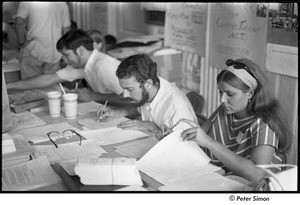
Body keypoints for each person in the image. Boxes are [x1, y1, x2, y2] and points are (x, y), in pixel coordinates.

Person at [179, 58, 291, 183]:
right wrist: (173, 137)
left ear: (250, 93)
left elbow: (258, 175)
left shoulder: (264, 123)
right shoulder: (227, 108)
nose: (222, 100)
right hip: (217, 176)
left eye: (230, 94)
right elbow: (198, 137)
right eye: (220, 92)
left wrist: (209, 142)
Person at [7, 29, 130, 107]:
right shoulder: (83, 64)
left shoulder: (103, 66)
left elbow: (132, 100)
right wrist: (6, 86)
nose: (64, 60)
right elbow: (48, 79)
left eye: (66, 55)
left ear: (81, 50)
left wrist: (93, 96)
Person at [98, 54, 198, 139]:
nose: (125, 95)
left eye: (129, 89)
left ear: (148, 84)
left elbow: (184, 150)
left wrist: (153, 128)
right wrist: (116, 112)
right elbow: (139, 107)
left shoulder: (176, 109)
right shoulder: (152, 86)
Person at [15, 2, 71, 79]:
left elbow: (19, 21)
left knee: (30, 86)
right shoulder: (62, 4)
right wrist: (66, 53)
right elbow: (66, 31)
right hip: (55, 52)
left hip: (33, 48)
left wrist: (21, 42)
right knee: (50, 85)